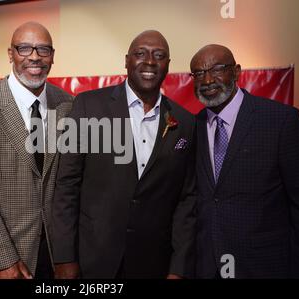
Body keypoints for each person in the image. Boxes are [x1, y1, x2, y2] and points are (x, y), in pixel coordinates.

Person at [51, 30, 196, 279]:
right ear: (126, 61)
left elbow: (187, 200)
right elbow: (66, 185)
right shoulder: (86, 105)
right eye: (140, 54)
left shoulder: (185, 122)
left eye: (159, 55)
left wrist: (178, 268)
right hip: (92, 261)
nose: (149, 61)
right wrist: (64, 258)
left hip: (153, 264)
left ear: (168, 66)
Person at [0, 22, 73, 279]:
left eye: (43, 49)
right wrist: (3, 259)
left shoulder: (68, 105)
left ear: (52, 56)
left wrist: (68, 254)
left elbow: (71, 185)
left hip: (57, 258)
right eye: (24, 48)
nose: (34, 56)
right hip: (6, 258)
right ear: (11, 54)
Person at [190, 44, 299, 279]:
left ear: (237, 71)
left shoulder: (281, 121)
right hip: (206, 266)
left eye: (217, 69)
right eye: (199, 73)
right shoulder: (192, 127)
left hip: (265, 266)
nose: (208, 79)